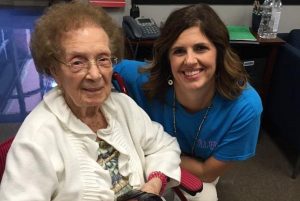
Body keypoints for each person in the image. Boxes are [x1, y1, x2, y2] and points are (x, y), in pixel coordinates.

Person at [0, 2, 181, 201]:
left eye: (103, 59)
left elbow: (163, 145)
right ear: (53, 70)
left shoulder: (122, 106)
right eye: (78, 62)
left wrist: (153, 185)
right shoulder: (36, 138)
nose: (95, 74)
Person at [114, 4, 263, 201]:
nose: (190, 60)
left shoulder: (245, 107)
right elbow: (99, 69)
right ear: (167, 59)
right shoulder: (142, 79)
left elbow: (207, 171)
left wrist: (161, 156)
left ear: (219, 52)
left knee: (205, 197)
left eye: (201, 48)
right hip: (145, 156)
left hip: (195, 170)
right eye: (179, 51)